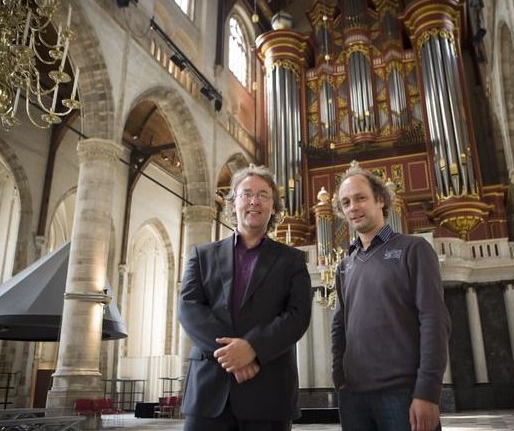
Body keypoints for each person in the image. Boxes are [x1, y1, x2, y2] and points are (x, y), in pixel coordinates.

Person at [178, 164, 312, 431]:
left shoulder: (293, 260)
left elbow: (298, 316)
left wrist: (252, 349)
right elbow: (189, 308)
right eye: (246, 194)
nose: (254, 201)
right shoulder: (201, 255)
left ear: (273, 207)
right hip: (208, 390)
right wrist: (231, 355)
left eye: (263, 195)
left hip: (268, 391)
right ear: (233, 203)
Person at [331, 166, 451, 431]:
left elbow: (434, 321)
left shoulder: (413, 249)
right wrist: (339, 378)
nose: (353, 207)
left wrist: (427, 392)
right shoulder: (345, 265)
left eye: (360, 198)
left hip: (403, 394)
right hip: (353, 397)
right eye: (346, 202)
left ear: (380, 200)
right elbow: (339, 326)